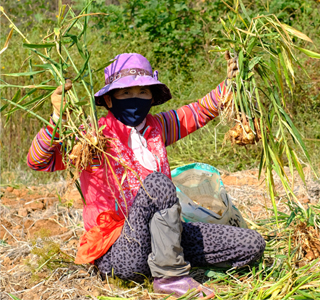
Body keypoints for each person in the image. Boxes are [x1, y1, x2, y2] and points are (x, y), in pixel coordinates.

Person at [27, 51, 264, 296]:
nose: (135, 98)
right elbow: (38, 161)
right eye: (126, 93)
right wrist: (57, 119)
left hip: (168, 238)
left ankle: (168, 263)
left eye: (143, 92)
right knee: (159, 184)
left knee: (251, 244)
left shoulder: (157, 128)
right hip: (121, 251)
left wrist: (232, 84)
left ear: (152, 97)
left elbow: (199, 111)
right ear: (109, 100)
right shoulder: (92, 138)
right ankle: (170, 278)